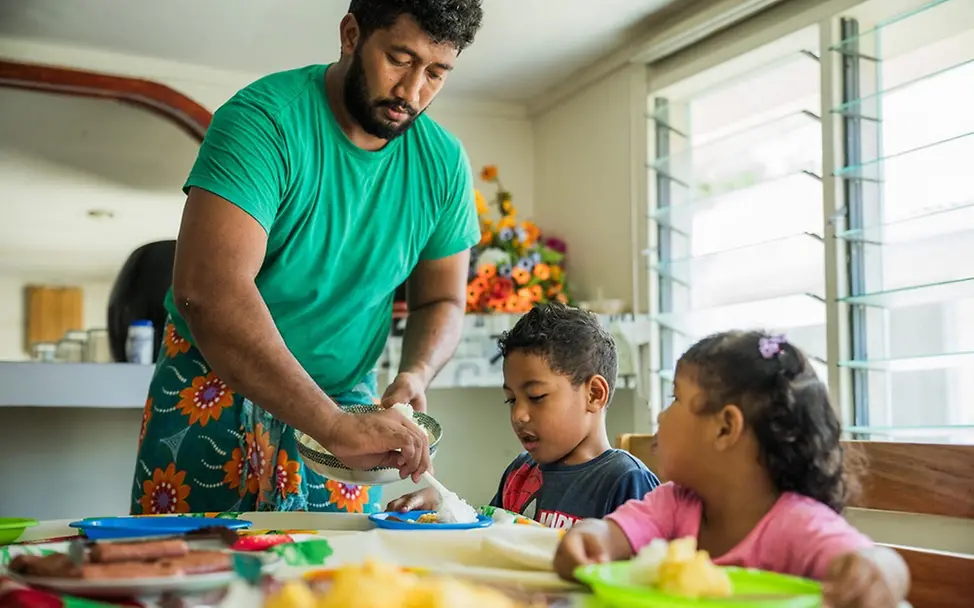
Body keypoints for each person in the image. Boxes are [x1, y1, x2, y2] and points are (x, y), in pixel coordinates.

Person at [130, 0, 485, 515]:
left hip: (349, 402)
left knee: (329, 583)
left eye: (435, 72)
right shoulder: (262, 120)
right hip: (210, 387)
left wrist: (416, 373)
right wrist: (332, 425)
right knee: (186, 574)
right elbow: (208, 292)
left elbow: (443, 300)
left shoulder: (445, 164)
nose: (412, 92)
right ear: (350, 35)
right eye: (399, 59)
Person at [553, 331, 910, 607]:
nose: (661, 416)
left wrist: (878, 570)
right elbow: (610, 537)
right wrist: (589, 538)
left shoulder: (796, 523)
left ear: (725, 428)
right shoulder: (672, 505)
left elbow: (869, 559)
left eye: (675, 398)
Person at [387, 303, 660, 528]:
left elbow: (644, 575)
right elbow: (491, 537)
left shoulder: (626, 481)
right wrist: (443, 508)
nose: (518, 414)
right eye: (511, 399)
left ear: (593, 395)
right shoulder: (520, 473)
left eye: (537, 397)